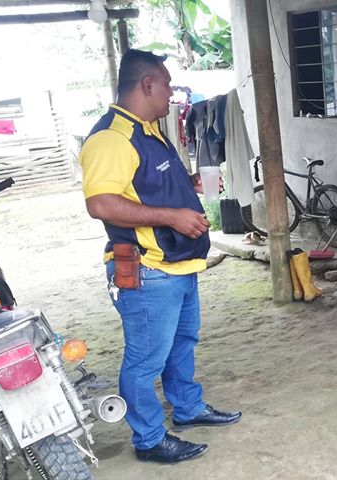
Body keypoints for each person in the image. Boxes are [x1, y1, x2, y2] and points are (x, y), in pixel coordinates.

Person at [79, 49, 241, 465]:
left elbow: (147, 186)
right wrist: (172, 215)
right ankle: (149, 439)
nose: (171, 93)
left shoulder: (148, 130)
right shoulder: (112, 138)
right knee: (145, 359)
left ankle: (187, 407)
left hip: (177, 265)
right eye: (167, 85)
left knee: (181, 344)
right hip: (147, 269)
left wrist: (190, 184)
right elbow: (101, 203)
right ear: (147, 84)